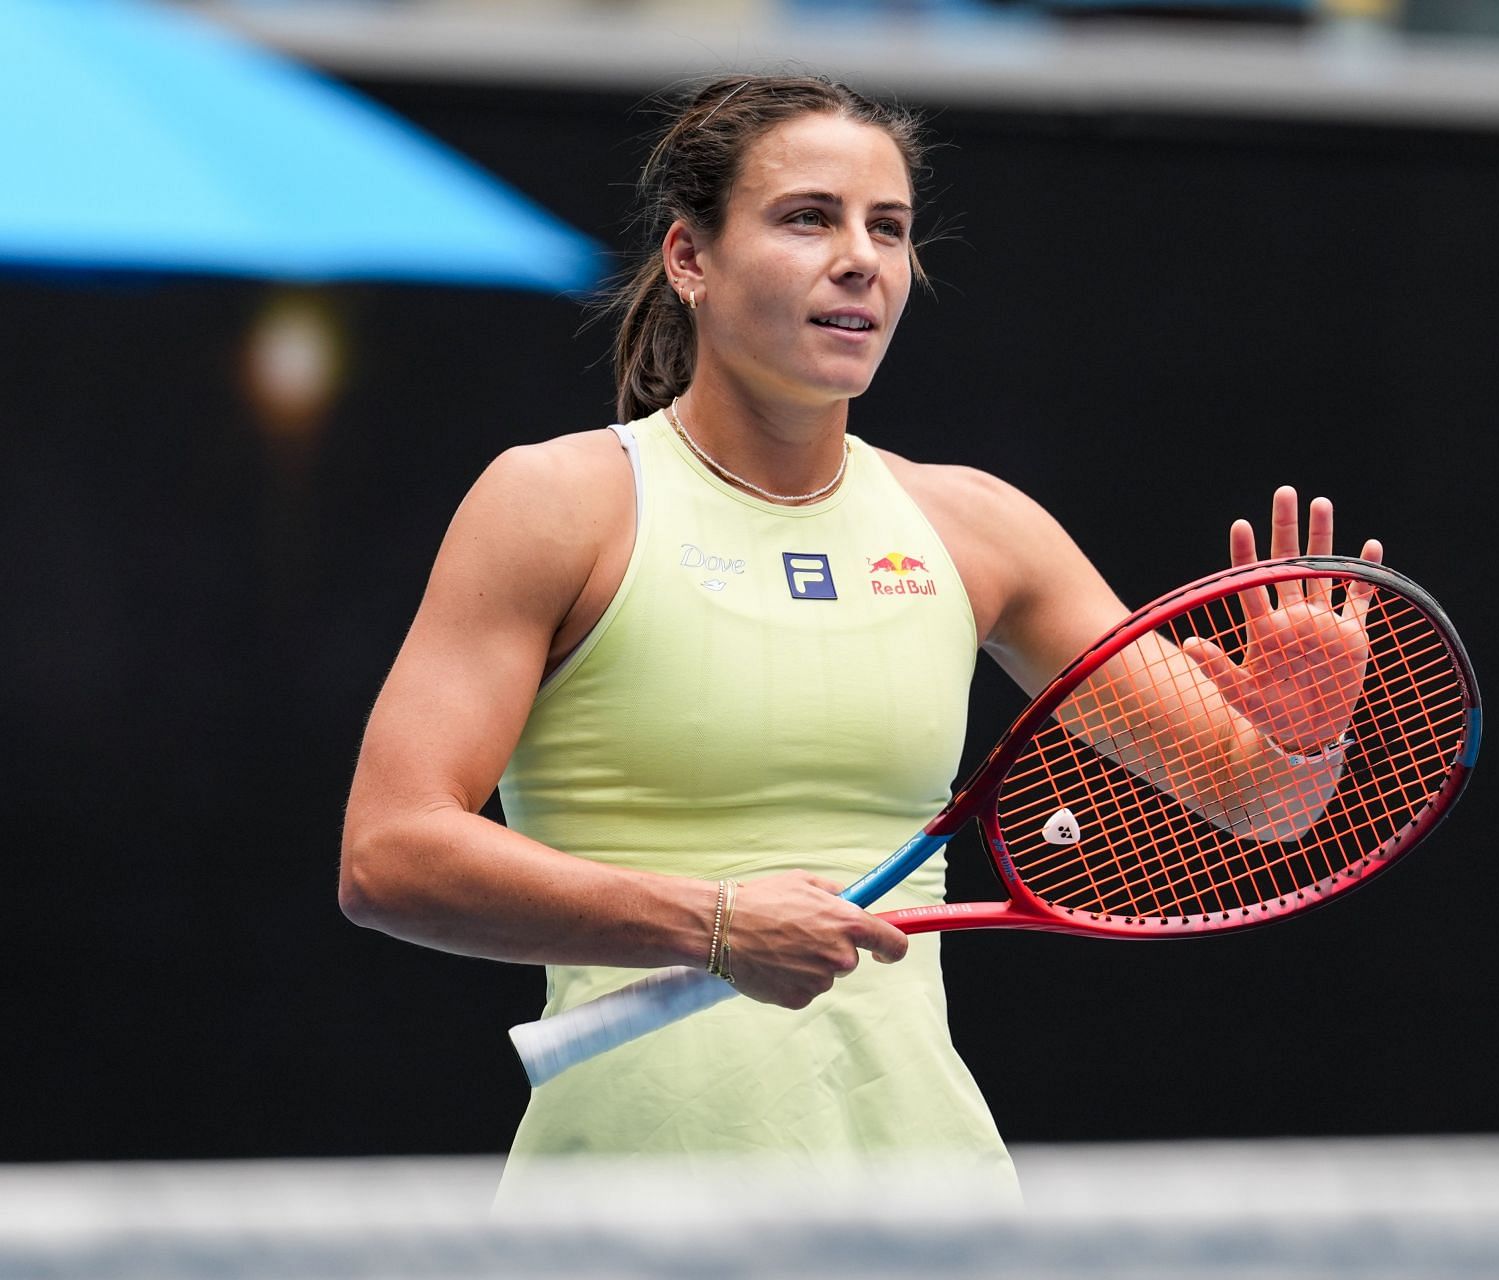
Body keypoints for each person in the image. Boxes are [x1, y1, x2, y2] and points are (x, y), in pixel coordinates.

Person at [338, 74, 1381, 1199]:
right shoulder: (558, 503)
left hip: (927, 1205)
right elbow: (388, 854)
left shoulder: (980, 530)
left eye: (888, 227)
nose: (862, 259)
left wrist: (1303, 740)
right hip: (625, 1217)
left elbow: (1265, 804)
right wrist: (717, 920)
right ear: (691, 257)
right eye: (808, 217)